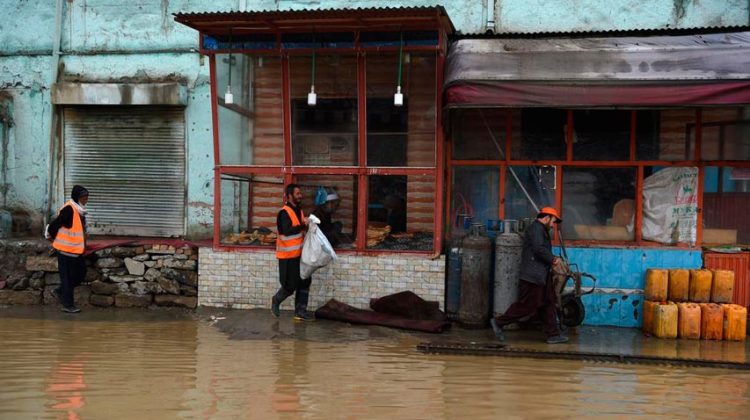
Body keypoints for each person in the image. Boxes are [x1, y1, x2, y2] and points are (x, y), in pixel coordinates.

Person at [490, 207, 569, 344]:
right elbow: (538, 249)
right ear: (546, 218)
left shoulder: (540, 229)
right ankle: (498, 322)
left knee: (548, 302)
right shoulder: (536, 229)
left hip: (540, 275)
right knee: (527, 305)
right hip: (532, 276)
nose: (553, 225)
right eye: (553, 221)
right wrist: (553, 259)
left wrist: (552, 259)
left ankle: (553, 334)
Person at [271, 183, 314, 321]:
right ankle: (276, 300)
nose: (300, 195)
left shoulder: (299, 210)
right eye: (297, 194)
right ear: (289, 196)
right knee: (290, 285)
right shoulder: (284, 212)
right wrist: (303, 225)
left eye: (300, 193)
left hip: (301, 255)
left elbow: (301, 230)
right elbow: (287, 230)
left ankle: (300, 311)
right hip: (288, 256)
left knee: (305, 280)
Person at [46, 185, 89, 314]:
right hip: (65, 251)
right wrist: (53, 239)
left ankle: (60, 291)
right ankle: (67, 304)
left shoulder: (79, 211)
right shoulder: (69, 210)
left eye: (87, 197)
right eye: (84, 197)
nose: (86, 200)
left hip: (76, 252)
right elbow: (54, 225)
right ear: (77, 197)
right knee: (67, 279)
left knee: (80, 275)